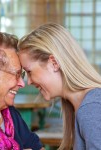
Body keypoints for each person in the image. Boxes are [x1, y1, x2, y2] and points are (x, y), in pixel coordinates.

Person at [17, 22, 101, 150]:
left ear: (54, 63)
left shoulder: (90, 108)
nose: (29, 82)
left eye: (29, 72)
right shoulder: (79, 105)